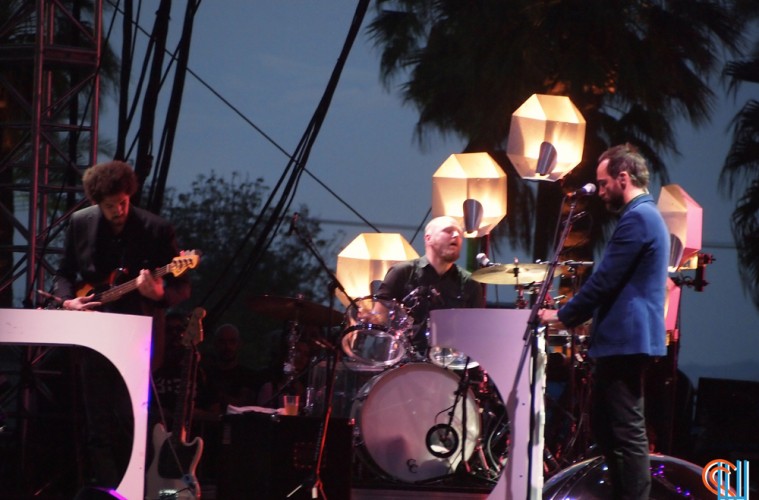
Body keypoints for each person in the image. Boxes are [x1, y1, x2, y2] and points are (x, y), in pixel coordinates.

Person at [539, 143, 669, 499]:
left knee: (626, 431)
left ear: (623, 177)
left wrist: (563, 315)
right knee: (606, 425)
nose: (599, 191)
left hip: (626, 339)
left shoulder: (639, 218)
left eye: (603, 183)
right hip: (624, 338)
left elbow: (605, 278)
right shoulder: (643, 216)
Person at [52, 160, 191, 489]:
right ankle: (110, 492)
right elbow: (64, 273)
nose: (118, 211)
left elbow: (183, 287)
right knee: (97, 425)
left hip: (137, 338)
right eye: (110, 206)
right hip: (93, 335)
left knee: (131, 421)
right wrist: (68, 301)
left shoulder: (156, 229)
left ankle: (139, 489)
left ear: (130, 195)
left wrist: (159, 293)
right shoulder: (80, 222)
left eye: (123, 203)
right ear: (97, 202)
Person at [375, 215, 484, 356]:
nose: (456, 235)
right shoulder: (402, 272)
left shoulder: (470, 283)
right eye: (448, 231)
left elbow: (476, 332)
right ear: (428, 238)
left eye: (459, 233)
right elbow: (379, 318)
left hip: (449, 363)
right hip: (403, 360)